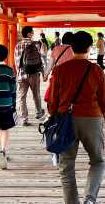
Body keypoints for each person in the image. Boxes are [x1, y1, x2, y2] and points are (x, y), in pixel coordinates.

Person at [49, 31, 105, 204]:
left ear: (72, 48)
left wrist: (55, 122)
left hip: (66, 120)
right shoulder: (96, 70)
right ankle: (90, 199)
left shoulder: (60, 70)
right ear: (89, 48)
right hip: (92, 119)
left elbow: (52, 103)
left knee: (66, 167)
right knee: (97, 161)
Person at [44, 31, 76, 166]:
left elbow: (50, 65)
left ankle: (55, 149)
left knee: (54, 112)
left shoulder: (56, 49)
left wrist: (45, 75)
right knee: (69, 116)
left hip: (56, 83)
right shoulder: (74, 50)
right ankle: (67, 145)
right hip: (71, 86)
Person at [14, 26, 46, 125]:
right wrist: (44, 73)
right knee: (36, 94)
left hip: (21, 74)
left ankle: (24, 118)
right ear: (29, 34)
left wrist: (18, 73)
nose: (33, 34)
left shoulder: (18, 45)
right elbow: (41, 59)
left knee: (22, 97)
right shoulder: (36, 45)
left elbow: (16, 62)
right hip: (34, 74)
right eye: (32, 32)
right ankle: (39, 113)